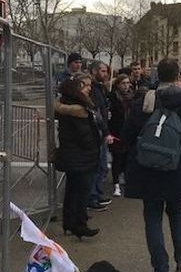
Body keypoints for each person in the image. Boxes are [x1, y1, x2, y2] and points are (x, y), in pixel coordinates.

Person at [122, 58, 181, 272]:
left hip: (148, 169)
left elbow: (128, 136)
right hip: (178, 169)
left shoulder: (145, 101)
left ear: (156, 75)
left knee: (152, 217)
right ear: (178, 75)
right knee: (177, 213)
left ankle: (160, 269)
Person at [54, 74, 101, 239]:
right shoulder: (78, 110)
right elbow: (85, 136)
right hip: (81, 156)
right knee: (81, 191)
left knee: (72, 190)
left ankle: (70, 222)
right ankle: (79, 224)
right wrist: (95, 148)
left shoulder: (66, 105)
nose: (89, 89)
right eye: (85, 86)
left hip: (72, 155)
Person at [88, 61, 113, 211]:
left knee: (102, 166)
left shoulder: (99, 88)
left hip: (102, 129)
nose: (105, 74)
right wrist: (104, 131)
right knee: (99, 166)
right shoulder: (92, 89)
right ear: (94, 71)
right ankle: (92, 196)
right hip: (97, 131)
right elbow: (95, 112)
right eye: (103, 71)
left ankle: (96, 193)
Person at [108, 74, 133, 197]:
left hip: (128, 131)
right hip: (116, 131)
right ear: (117, 84)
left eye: (128, 83)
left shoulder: (131, 97)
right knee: (117, 158)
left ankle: (124, 176)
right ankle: (116, 183)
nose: (126, 86)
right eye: (123, 83)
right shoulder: (112, 97)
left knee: (126, 157)